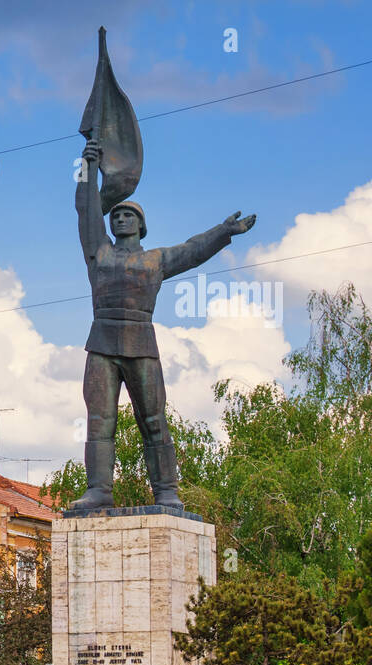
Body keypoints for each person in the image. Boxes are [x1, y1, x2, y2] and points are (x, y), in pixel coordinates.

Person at [70, 137, 255, 511]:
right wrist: (87, 170)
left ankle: (166, 492)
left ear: (141, 225)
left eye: (128, 215)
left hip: (141, 344)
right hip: (102, 345)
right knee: (99, 422)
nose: (119, 218)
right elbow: (86, 212)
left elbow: (192, 250)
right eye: (116, 215)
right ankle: (99, 490)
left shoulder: (156, 259)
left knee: (153, 420)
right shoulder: (98, 252)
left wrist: (223, 232)